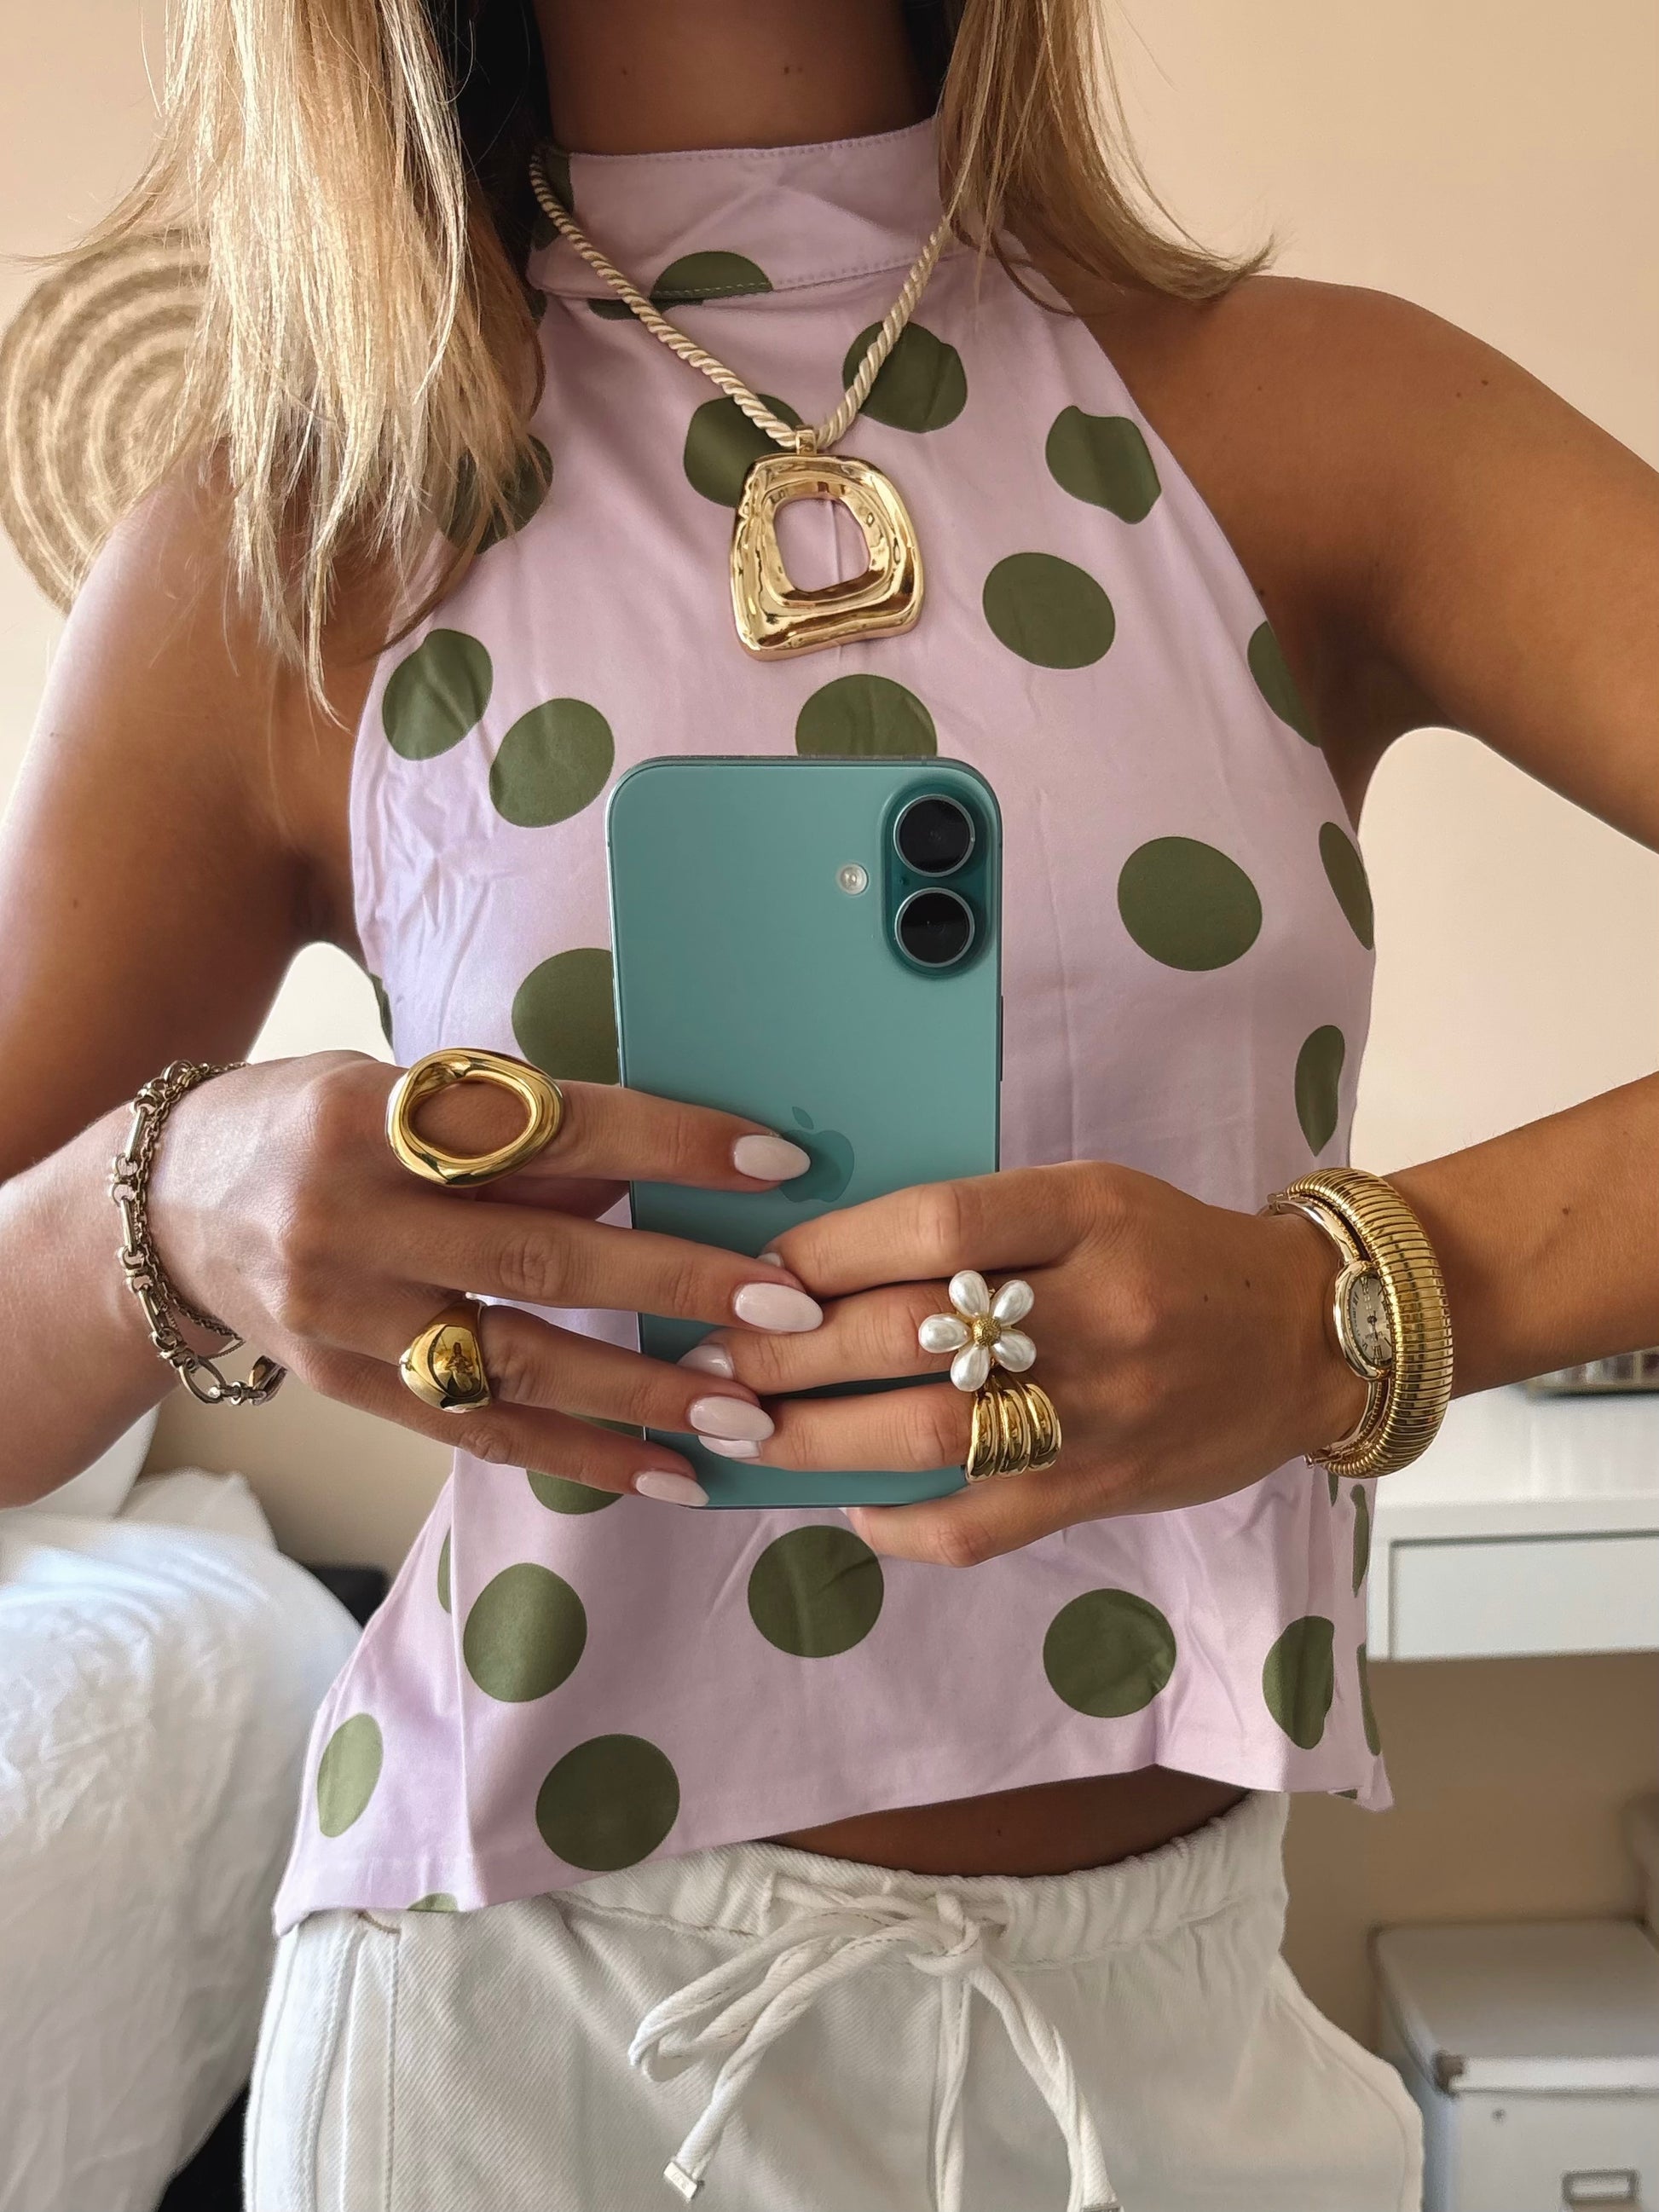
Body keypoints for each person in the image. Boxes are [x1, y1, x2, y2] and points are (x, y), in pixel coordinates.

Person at [3, 0, 1655, 2205]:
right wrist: (168, 1202)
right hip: (522, 2056)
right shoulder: (297, 539)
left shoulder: (1321, 423)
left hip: (1183, 2050)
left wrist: (1339, 1304)